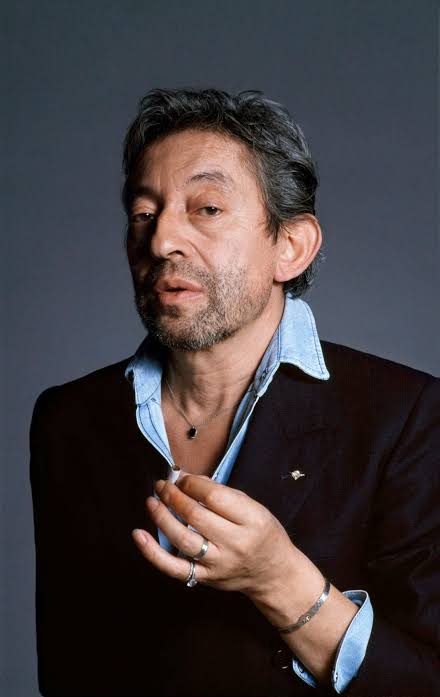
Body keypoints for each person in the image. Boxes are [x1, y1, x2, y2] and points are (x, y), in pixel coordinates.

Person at [29, 88, 439, 697]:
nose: (161, 241)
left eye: (207, 208)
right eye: (143, 213)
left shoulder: (409, 417)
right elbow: (68, 669)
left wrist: (279, 579)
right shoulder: (68, 420)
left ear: (290, 247)